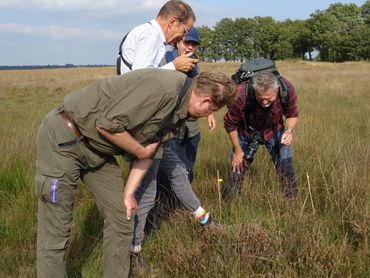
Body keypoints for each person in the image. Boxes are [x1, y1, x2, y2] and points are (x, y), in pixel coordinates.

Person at [35, 68, 235, 278]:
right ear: (205, 101)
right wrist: (139, 150)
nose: (208, 116)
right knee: (56, 231)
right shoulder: (162, 88)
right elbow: (106, 125)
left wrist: (129, 192)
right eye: (213, 109)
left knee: (123, 216)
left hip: (99, 152)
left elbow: (152, 151)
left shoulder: (180, 111)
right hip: (65, 139)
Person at [130, 27, 217, 269]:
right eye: (187, 42)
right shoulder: (163, 62)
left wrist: (207, 113)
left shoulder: (192, 65)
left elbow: (196, 90)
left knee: (181, 174)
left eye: (194, 44)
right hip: (151, 133)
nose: (191, 47)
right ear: (177, 41)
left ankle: (205, 221)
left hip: (168, 132)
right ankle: (133, 249)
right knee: (146, 192)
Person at [223, 71, 298, 201]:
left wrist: (288, 131)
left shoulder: (287, 88)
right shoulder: (241, 93)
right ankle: (228, 203)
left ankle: (292, 201)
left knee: (285, 166)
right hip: (246, 132)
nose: (264, 102)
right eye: (260, 98)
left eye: (269, 99)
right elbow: (230, 124)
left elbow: (292, 114)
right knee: (238, 168)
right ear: (254, 90)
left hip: (275, 130)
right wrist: (238, 150)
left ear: (277, 90)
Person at [117, 0, 198, 75]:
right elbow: (141, 76)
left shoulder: (148, 31)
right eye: (185, 31)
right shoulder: (151, 34)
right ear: (173, 22)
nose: (183, 36)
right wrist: (174, 66)